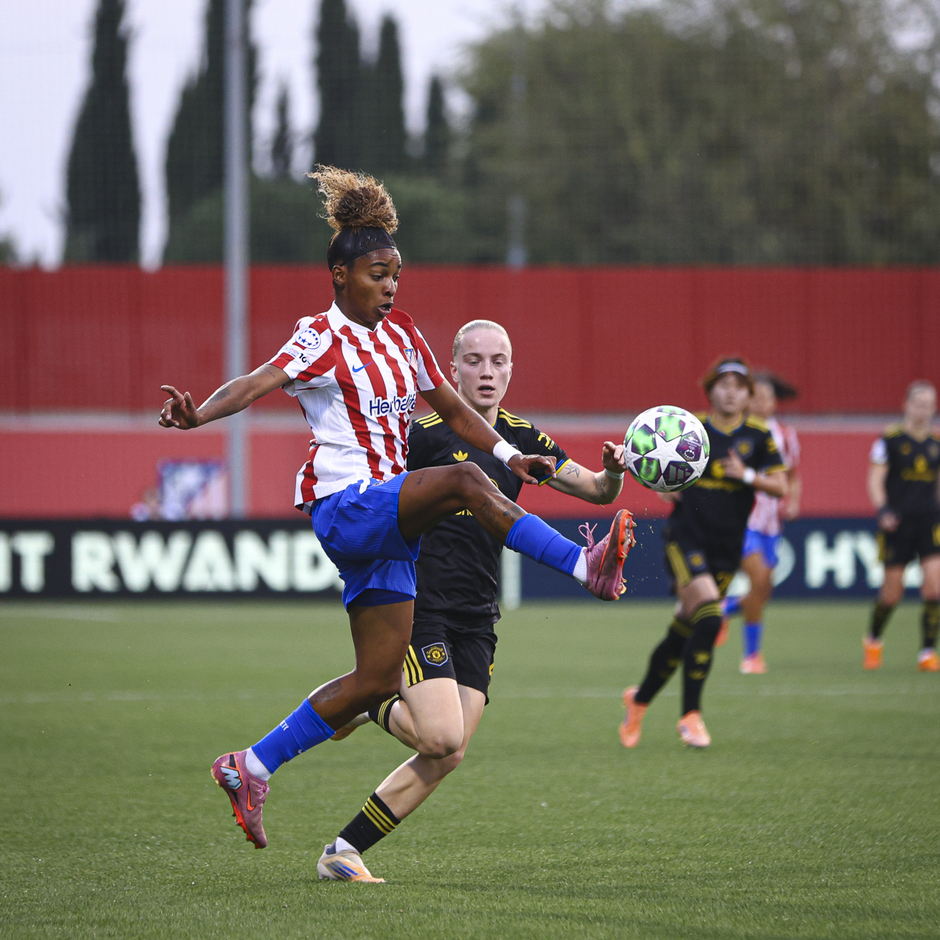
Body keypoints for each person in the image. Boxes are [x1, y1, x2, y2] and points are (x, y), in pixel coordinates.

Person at [158, 167, 633, 850]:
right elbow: (259, 381)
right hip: (347, 506)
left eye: (396, 276)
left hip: (388, 532)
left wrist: (512, 457)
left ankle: (250, 765)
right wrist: (199, 413)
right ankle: (584, 566)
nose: (389, 287)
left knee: (375, 680)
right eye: (378, 275)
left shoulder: (406, 336)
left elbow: (455, 412)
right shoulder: (319, 335)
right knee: (463, 485)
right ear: (340, 276)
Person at [315, 319, 634, 882]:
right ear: (451, 367)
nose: (487, 372)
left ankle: (343, 850)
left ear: (512, 369)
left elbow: (594, 491)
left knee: (450, 752)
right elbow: (370, 493)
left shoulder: (522, 439)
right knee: (441, 735)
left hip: (478, 613)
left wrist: (612, 474)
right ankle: (373, 699)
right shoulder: (423, 434)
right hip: (418, 603)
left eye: (499, 361)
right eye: (475, 361)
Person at [618, 357, 787, 749]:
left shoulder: (759, 436)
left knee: (685, 628)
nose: (730, 392)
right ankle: (691, 716)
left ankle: (639, 700)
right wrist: (661, 484)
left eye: (738, 386)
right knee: (710, 616)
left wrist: (745, 475)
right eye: (722, 385)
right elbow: (655, 472)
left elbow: (781, 486)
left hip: (727, 547)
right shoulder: (688, 428)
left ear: (748, 395)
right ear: (710, 390)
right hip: (685, 537)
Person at [719, 372, 802, 674]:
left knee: (763, 590)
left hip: (772, 523)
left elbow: (792, 475)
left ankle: (722, 610)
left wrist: (792, 500)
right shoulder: (738, 433)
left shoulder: (786, 436)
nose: (763, 402)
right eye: (757, 396)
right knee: (759, 581)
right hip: (745, 519)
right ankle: (751, 656)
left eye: (768, 397)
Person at [863, 381, 940, 672]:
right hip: (898, 524)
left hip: (930, 522)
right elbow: (875, 479)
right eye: (918, 403)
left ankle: (928, 652)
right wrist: (882, 509)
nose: (923, 410)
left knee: (934, 588)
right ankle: (873, 639)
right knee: (891, 594)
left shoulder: (936, 444)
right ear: (906, 405)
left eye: (929, 404)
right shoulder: (889, 440)